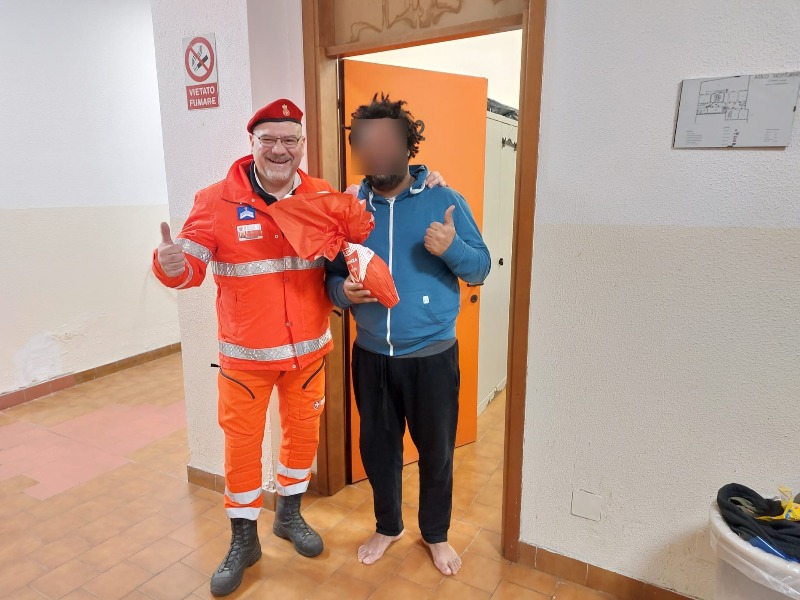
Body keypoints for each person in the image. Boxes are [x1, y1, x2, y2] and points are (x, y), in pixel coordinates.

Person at [152, 98, 445, 597]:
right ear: (252, 144)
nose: (279, 149)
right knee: (242, 446)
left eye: (289, 139)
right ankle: (243, 539)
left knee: (302, 438)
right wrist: (171, 264)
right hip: (246, 359)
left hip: (308, 353)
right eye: (268, 139)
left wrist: (426, 178)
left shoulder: (322, 195)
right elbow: (190, 268)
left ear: (302, 145)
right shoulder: (215, 200)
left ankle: (289, 516)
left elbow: (363, 223)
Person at [326, 94, 491, 577]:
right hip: (371, 355)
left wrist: (452, 248)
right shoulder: (349, 206)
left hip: (432, 356)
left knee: (436, 453)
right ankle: (388, 525)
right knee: (378, 452)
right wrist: (342, 293)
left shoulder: (444, 199)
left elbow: (480, 268)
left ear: (407, 146)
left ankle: (435, 534)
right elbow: (329, 275)